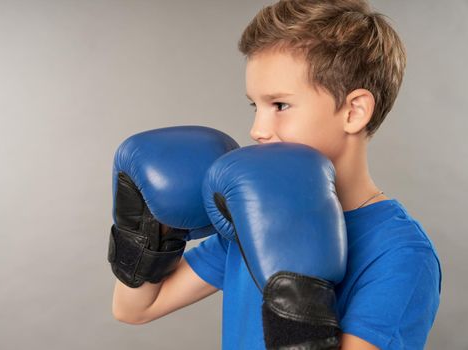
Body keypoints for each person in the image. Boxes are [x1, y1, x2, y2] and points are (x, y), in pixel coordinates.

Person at [110, 1, 442, 349]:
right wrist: (149, 229)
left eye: (280, 105)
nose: (257, 130)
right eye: (256, 106)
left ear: (354, 111)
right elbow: (135, 308)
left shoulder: (401, 256)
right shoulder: (256, 215)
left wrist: (299, 312)